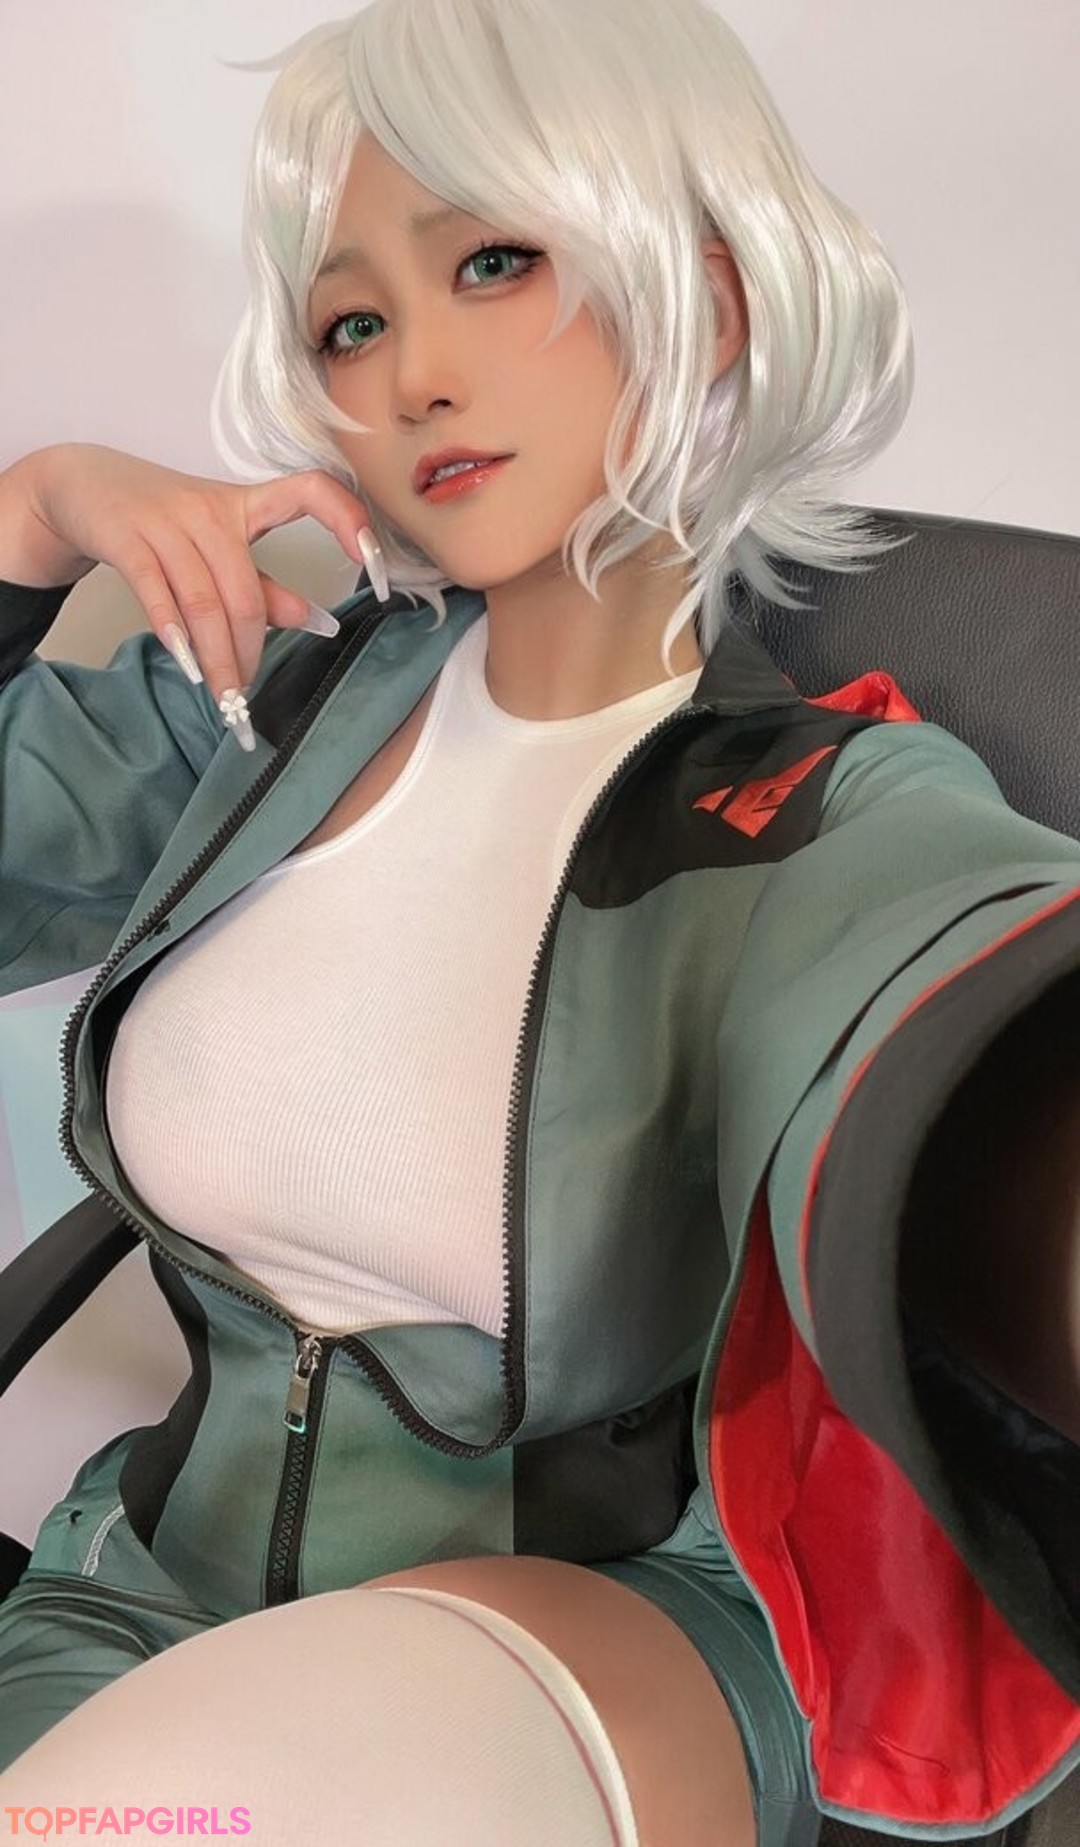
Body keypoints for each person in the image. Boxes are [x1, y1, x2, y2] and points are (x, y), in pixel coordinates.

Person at [0, 0, 1077, 1841]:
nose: (415, 372)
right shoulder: (256, 707)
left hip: (589, 1635)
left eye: (493, 262)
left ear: (707, 298)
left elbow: (968, 1031)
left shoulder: (821, 808)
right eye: (353, 322)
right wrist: (28, 520)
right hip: (137, 1596)